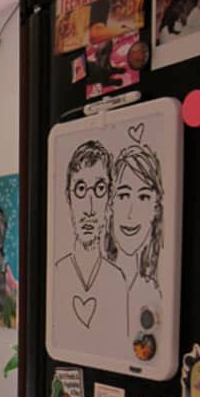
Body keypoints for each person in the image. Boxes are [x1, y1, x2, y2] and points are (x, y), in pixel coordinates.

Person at [52, 140, 126, 348]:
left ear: (110, 199)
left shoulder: (117, 280)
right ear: (69, 198)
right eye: (81, 189)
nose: (90, 207)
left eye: (100, 189)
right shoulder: (57, 274)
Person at [105, 143, 163, 335]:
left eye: (144, 197)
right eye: (123, 195)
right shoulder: (98, 282)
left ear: (155, 209)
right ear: (110, 204)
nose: (131, 212)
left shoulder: (154, 290)